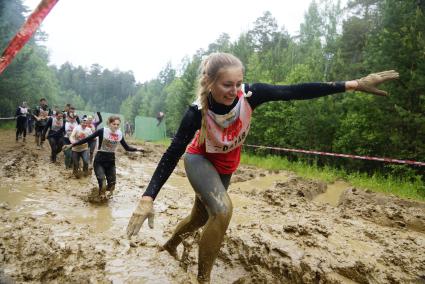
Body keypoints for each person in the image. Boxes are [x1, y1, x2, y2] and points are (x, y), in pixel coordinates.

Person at [126, 52, 399, 283]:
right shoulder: (196, 112)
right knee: (222, 211)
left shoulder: (251, 95)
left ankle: (170, 245)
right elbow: (172, 153)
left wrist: (353, 84)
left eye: (238, 83)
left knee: (200, 218)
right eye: (226, 85)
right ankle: (203, 280)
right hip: (200, 161)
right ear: (209, 82)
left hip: (226, 166)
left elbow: (296, 90)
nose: (234, 91)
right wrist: (148, 197)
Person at [64, 116, 143, 200]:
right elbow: (87, 139)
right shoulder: (102, 131)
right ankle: (99, 200)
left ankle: (99, 194)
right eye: (114, 124)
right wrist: (72, 145)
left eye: (118, 124)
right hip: (99, 161)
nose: (116, 126)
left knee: (112, 185)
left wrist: (138, 149)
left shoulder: (119, 134)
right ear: (109, 123)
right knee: (103, 182)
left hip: (111, 161)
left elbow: (127, 148)